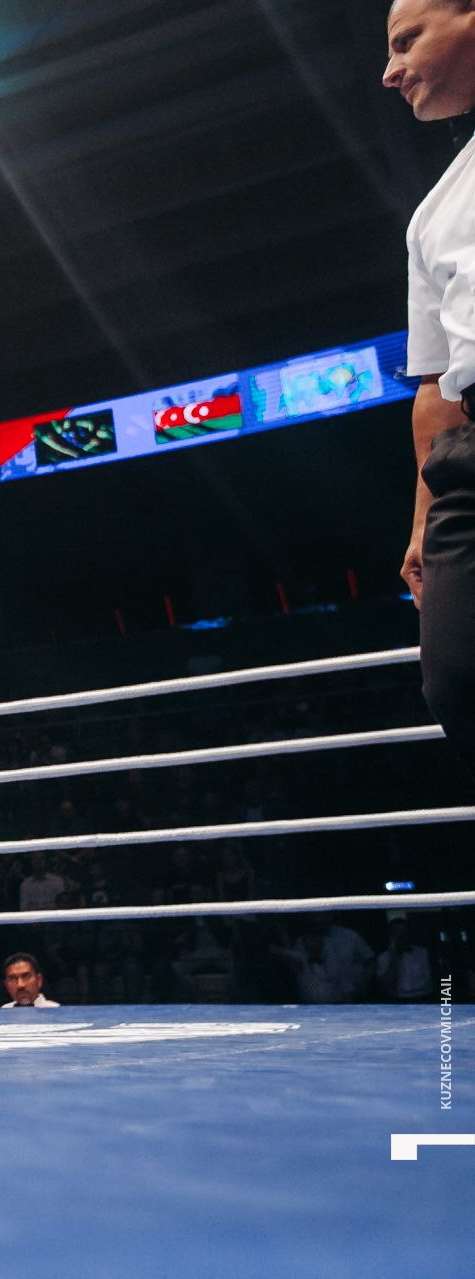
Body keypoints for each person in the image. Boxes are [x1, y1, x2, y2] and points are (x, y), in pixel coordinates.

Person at [386, 1, 475, 762]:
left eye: (407, 41)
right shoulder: (432, 214)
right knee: (457, 676)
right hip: (471, 449)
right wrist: (422, 520)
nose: (391, 71)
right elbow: (435, 384)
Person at [377, 918, 436, 1001]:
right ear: (390, 935)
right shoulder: (383, 957)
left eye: (403, 931)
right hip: (398, 999)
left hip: (424, 996)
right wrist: (394, 957)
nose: (400, 934)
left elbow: (436, 976)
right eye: (396, 931)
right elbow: (388, 983)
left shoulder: (423, 952)